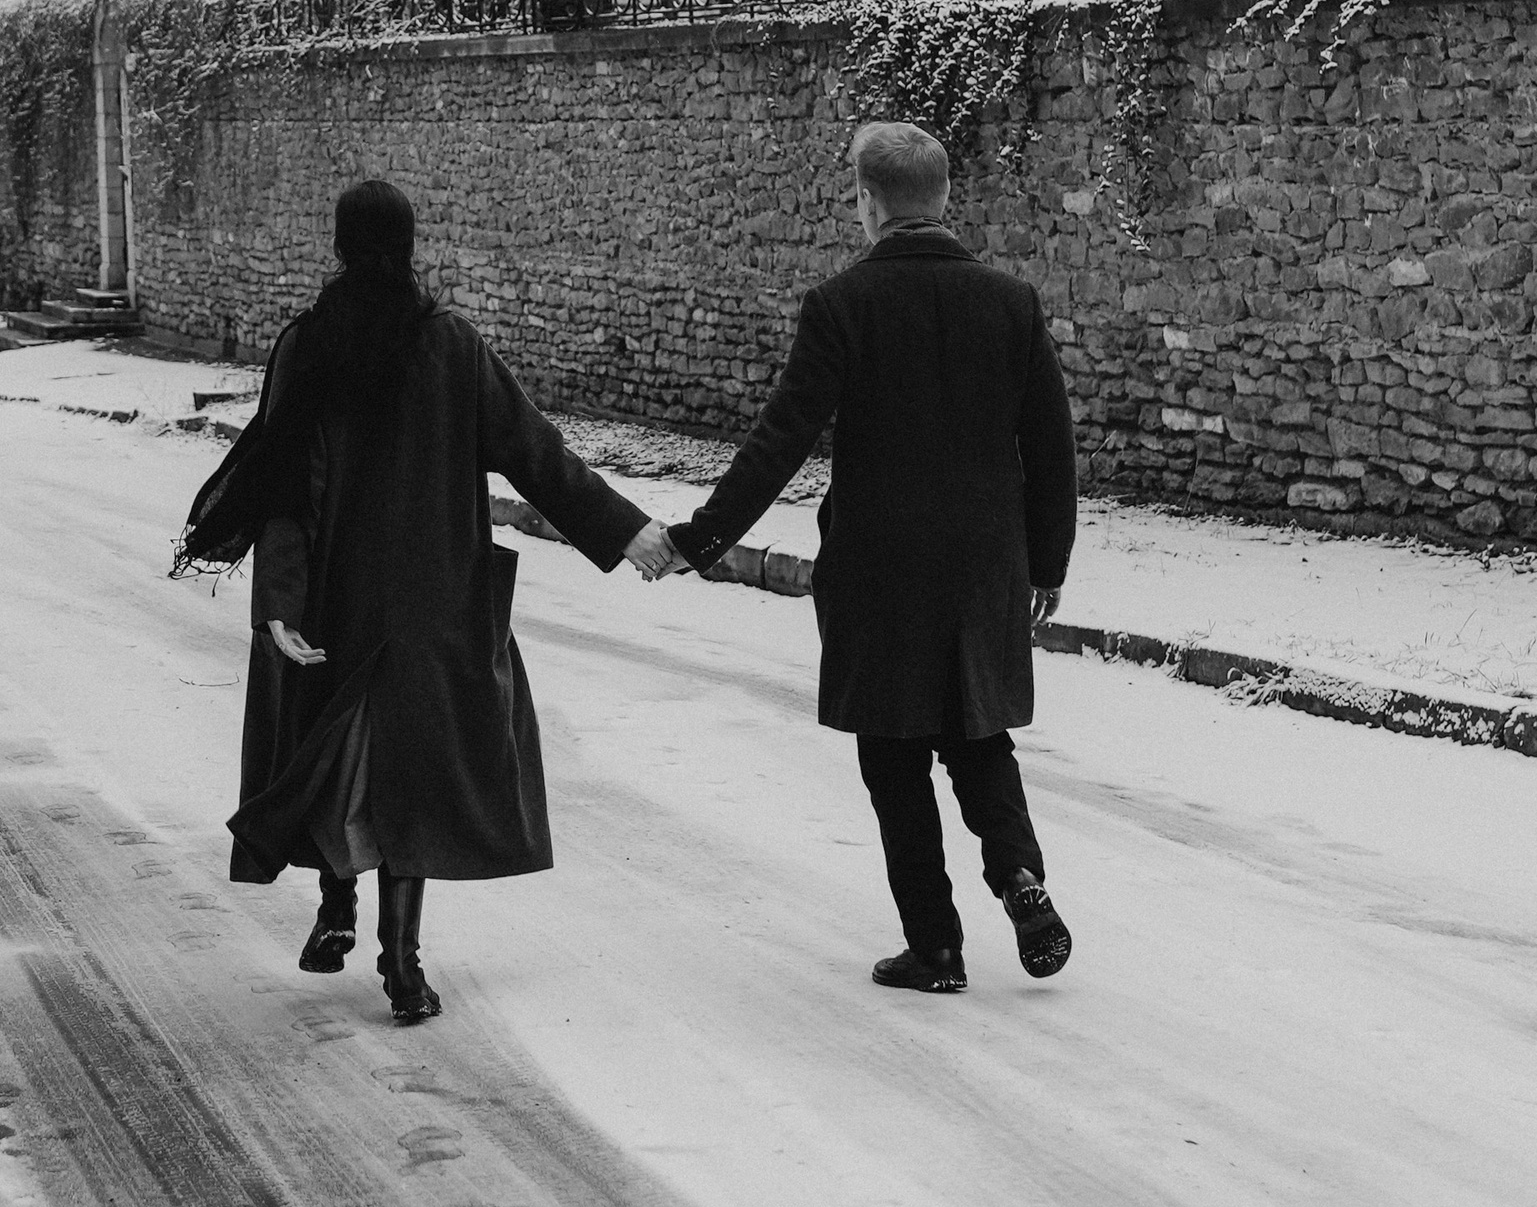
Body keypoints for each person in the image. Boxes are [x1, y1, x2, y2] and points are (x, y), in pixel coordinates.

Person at [173, 178, 666, 1024]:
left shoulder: (307, 345)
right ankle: (401, 964)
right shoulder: (450, 345)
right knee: (409, 778)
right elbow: (536, 454)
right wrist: (629, 531)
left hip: (334, 601)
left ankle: (338, 910)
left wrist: (282, 602)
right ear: (410, 246)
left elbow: (281, 486)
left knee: (336, 754)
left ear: (336, 246)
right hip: (431, 606)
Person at [635, 120, 1078, 994]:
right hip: (987, 562)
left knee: (894, 752)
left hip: (882, 571)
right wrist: (1048, 562)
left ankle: (936, 947)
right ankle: (1019, 875)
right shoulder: (1011, 301)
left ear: (871, 204)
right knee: (979, 735)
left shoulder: (842, 305)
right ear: (944, 198)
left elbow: (780, 439)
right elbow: (1051, 444)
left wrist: (702, 536)